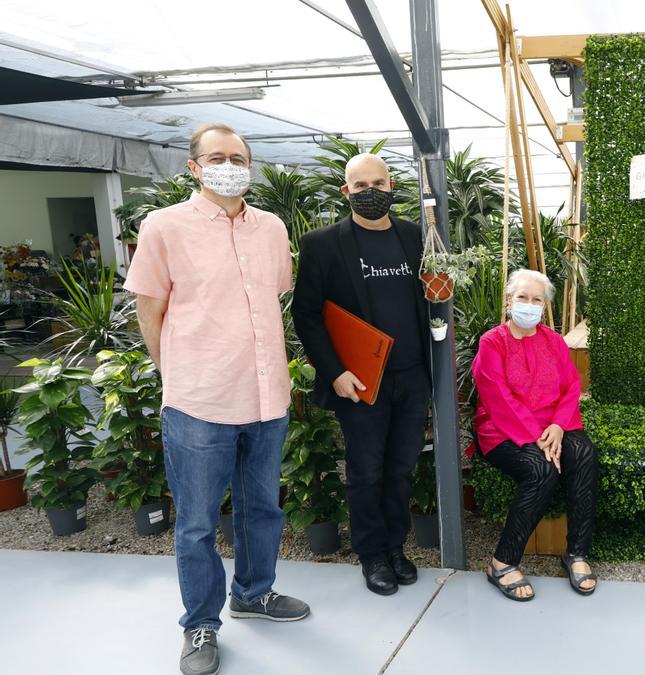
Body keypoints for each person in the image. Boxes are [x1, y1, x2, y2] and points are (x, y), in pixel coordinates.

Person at [125, 123, 309, 675]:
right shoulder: (164, 227)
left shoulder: (272, 229)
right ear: (194, 167)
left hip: (266, 394)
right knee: (199, 523)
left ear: (250, 166)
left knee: (263, 508)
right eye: (217, 156)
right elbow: (148, 310)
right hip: (199, 400)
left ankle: (254, 592)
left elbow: (267, 302)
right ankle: (200, 622)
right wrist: (177, 373)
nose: (229, 164)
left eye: (238, 157)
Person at [292, 153, 431, 596]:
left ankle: (395, 548)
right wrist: (334, 372)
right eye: (361, 185)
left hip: (411, 376)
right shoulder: (323, 244)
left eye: (379, 182)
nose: (371, 191)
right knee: (367, 470)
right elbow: (306, 315)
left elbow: (431, 296)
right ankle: (372, 554)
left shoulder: (414, 237)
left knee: (401, 468)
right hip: (360, 380)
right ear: (346, 191)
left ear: (392, 186)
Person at [471, 269, 599, 601]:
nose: (529, 304)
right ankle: (502, 561)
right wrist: (538, 437)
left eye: (536, 299)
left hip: (555, 425)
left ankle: (577, 553)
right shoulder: (492, 342)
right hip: (502, 430)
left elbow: (571, 385)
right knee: (541, 470)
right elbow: (497, 397)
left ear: (545, 306)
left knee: (584, 453)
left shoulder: (554, 341)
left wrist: (557, 426)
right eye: (522, 297)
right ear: (509, 301)